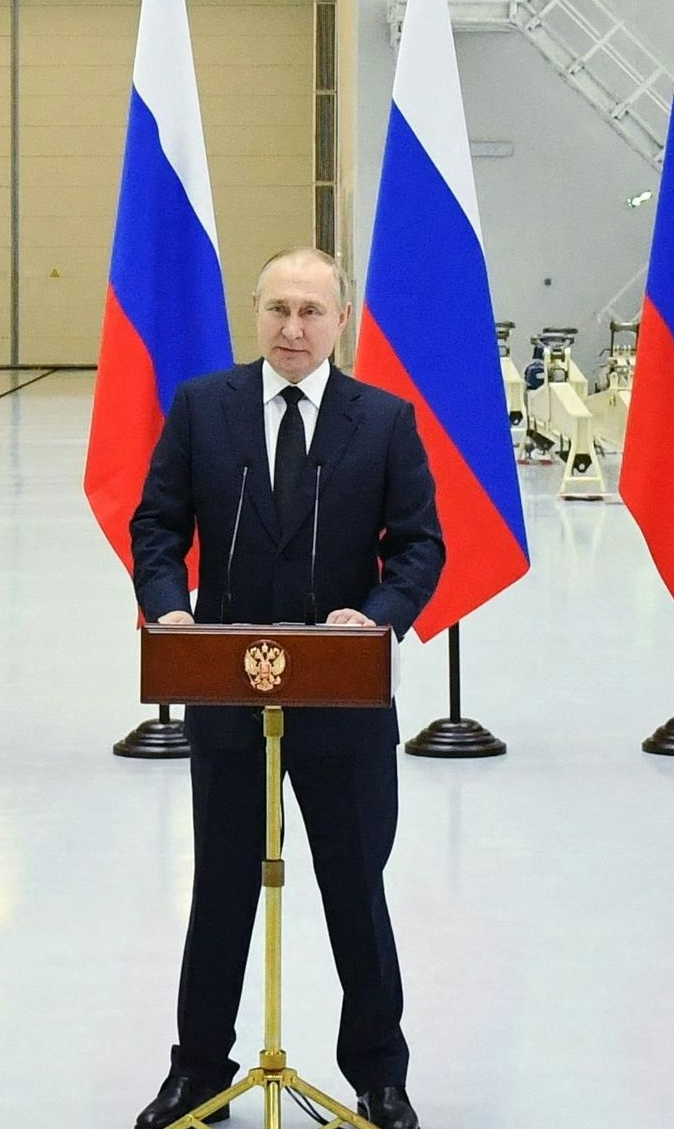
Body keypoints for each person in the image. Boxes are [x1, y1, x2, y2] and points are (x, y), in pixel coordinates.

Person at [128, 246, 444, 1129]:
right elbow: (157, 525)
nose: (292, 328)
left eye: (311, 311)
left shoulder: (384, 421)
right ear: (255, 313)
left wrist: (375, 617)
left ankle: (379, 1076)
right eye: (278, 309)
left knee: (355, 887)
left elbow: (419, 545)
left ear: (342, 320)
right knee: (221, 888)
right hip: (228, 688)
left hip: (342, 695)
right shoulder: (204, 408)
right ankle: (198, 1071)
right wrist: (169, 605)